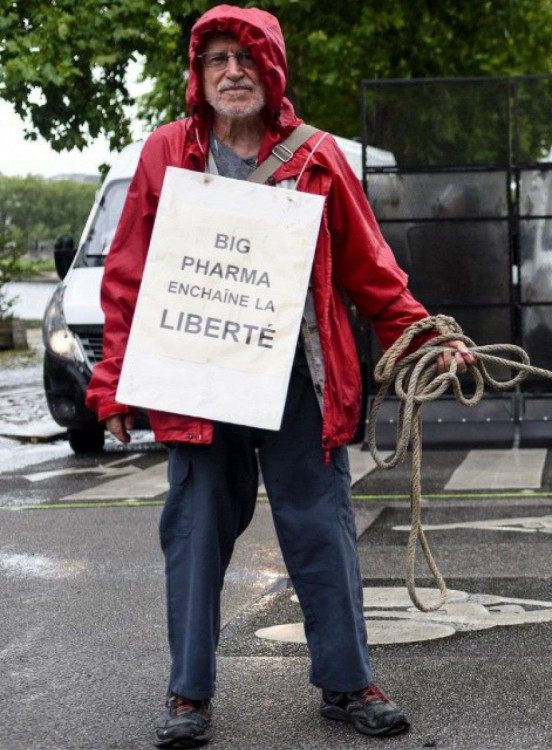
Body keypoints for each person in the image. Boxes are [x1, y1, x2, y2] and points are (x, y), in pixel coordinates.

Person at [84, 6, 472, 747]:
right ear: (199, 77)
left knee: (322, 530)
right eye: (218, 59)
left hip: (301, 379)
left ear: (272, 69)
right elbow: (128, 276)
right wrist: (111, 385)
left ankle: (347, 681)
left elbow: (371, 270)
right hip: (196, 381)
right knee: (194, 531)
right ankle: (188, 695)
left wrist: (424, 337)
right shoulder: (165, 152)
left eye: (247, 58)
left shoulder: (317, 154)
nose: (233, 72)